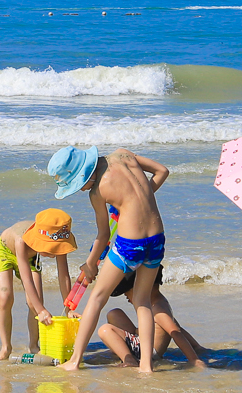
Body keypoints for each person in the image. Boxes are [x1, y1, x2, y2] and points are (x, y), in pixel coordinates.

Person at [46, 145, 168, 373]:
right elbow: (162, 171)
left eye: (78, 185)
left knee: (97, 298)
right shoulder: (124, 155)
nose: (82, 190)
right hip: (157, 239)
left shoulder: (97, 192)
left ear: (84, 174)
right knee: (142, 301)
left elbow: (103, 236)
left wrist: (90, 264)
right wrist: (139, 202)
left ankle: (74, 360)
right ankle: (146, 366)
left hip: (130, 245)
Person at [0, 208, 77, 362]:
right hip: (6, 251)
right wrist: (41, 310)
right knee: (5, 296)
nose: (53, 254)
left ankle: (33, 345)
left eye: (55, 249)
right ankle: (5, 347)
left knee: (34, 302)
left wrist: (69, 308)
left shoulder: (59, 235)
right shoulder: (21, 240)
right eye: (50, 249)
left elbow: (63, 276)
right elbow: (27, 278)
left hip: (31, 257)